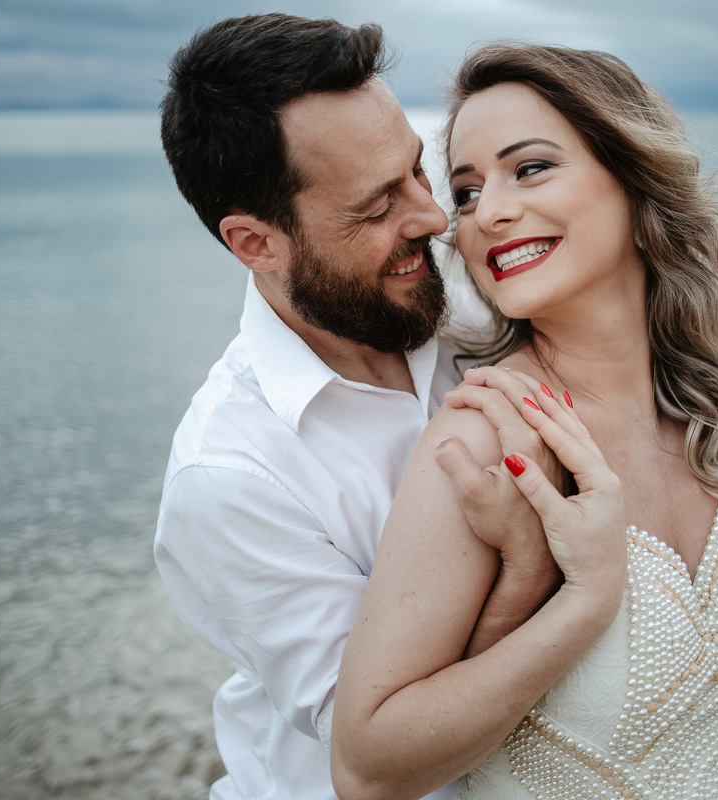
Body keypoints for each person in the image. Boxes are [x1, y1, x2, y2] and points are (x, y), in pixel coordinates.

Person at [330, 44, 718, 800]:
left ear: (633, 176)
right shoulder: (491, 437)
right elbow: (368, 768)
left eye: (530, 168)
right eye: (468, 191)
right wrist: (581, 603)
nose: (488, 215)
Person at [153, 16, 571, 800]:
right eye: (377, 208)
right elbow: (391, 756)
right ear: (254, 244)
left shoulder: (489, 307)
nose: (434, 219)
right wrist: (530, 570)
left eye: (419, 170)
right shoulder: (231, 480)